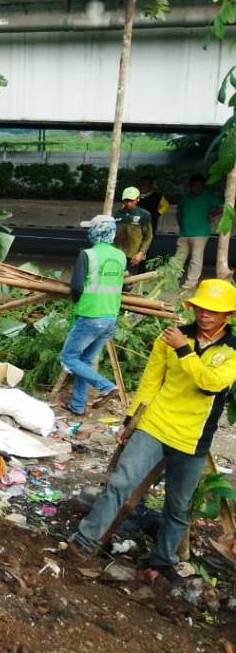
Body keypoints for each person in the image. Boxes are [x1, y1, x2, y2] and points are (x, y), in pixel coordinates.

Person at [71, 279, 236, 589]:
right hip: (155, 424)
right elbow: (150, 382)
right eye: (201, 308)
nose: (205, 314)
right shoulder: (171, 337)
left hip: (193, 438)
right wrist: (130, 421)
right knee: (120, 483)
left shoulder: (231, 350)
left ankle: (162, 561)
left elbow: (210, 384)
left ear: (228, 314)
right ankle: (85, 541)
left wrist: (184, 349)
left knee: (178, 507)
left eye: (213, 311)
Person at [59, 214, 125, 416]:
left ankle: (106, 386)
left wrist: (74, 299)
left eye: (91, 228)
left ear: (96, 231)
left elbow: (77, 286)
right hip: (110, 317)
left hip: (90, 315)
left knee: (69, 357)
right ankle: (78, 406)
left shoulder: (87, 255)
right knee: (85, 361)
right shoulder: (120, 256)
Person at [175, 174, 222, 289]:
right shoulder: (185, 197)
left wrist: (212, 214)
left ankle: (190, 283)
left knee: (196, 259)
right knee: (178, 259)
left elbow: (222, 206)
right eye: (194, 185)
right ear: (190, 186)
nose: (196, 188)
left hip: (201, 233)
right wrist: (181, 226)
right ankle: (172, 280)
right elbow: (179, 213)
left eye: (198, 185)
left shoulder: (208, 196)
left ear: (203, 186)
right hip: (184, 233)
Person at [113, 186, 153, 274]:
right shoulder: (117, 214)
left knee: (129, 280)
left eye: (131, 200)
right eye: (126, 200)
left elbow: (148, 236)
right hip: (117, 255)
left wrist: (141, 253)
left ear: (138, 199)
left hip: (133, 257)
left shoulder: (144, 215)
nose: (128, 203)